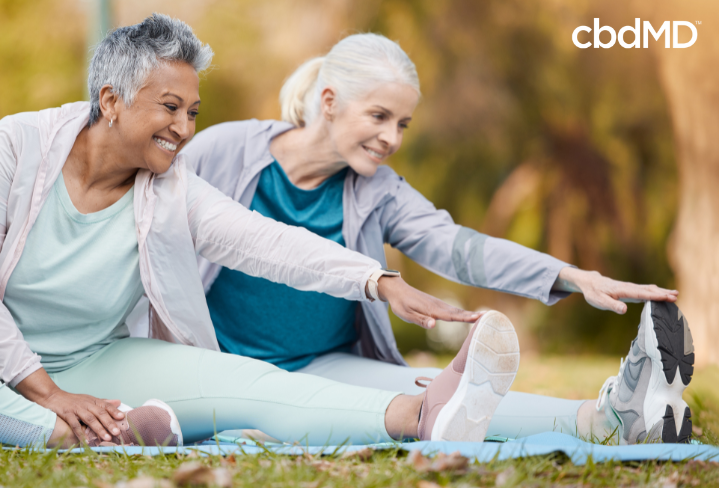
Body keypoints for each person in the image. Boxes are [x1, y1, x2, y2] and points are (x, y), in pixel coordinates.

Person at [0, 15, 520, 450]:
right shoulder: (17, 144)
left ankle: (418, 417)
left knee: (249, 382)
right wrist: (50, 395)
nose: (184, 128)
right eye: (168, 107)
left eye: (192, 112)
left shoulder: (172, 190)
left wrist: (376, 280)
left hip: (97, 360)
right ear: (111, 101)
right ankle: (61, 433)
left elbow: (268, 243)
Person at [158, 33, 693, 444]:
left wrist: (570, 276)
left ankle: (611, 416)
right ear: (328, 101)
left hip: (327, 364)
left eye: (403, 124)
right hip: (223, 364)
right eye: (379, 116)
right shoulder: (220, 151)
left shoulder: (379, 191)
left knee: (445, 394)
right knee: (383, 406)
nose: (391, 138)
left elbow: (456, 245)